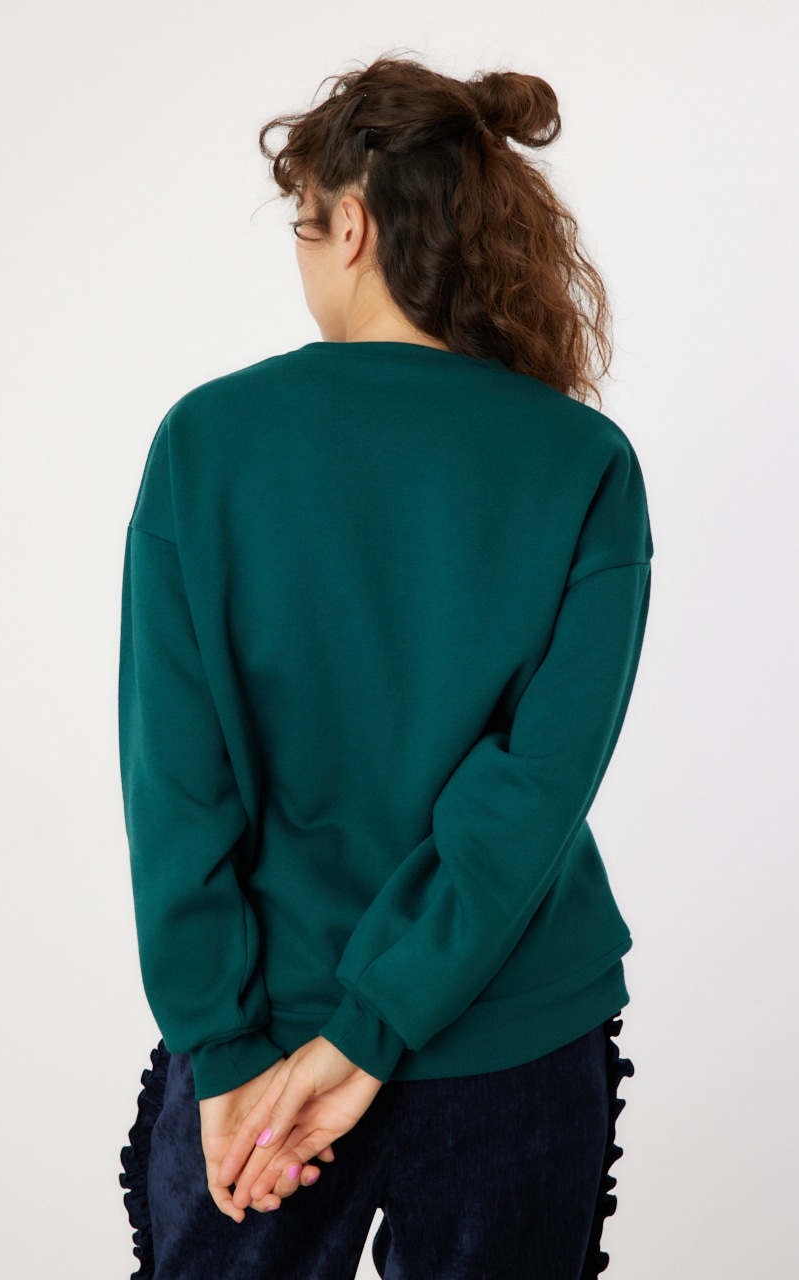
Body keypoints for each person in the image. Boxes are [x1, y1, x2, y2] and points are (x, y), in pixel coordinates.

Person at [118, 49, 651, 1280]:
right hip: (512, 1033)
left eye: (303, 227)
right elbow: (530, 791)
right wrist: (373, 1027)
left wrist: (226, 1046)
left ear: (350, 224)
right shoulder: (583, 461)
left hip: (261, 1050)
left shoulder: (206, 443)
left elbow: (177, 784)